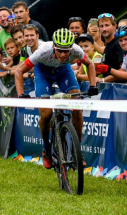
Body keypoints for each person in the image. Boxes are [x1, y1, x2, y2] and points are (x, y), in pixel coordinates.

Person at [13, 29, 99, 169]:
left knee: (77, 106)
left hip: (63, 71)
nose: (64, 54)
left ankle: (77, 150)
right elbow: (19, 70)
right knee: (46, 114)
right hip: (43, 73)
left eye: (66, 51)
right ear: (54, 47)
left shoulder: (76, 50)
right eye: (60, 51)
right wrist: (21, 94)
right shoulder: (43, 51)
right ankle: (46, 149)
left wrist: (93, 84)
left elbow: (90, 64)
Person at [94, 13, 125, 80]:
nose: (104, 29)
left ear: (114, 26)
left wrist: (103, 80)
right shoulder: (108, 44)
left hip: (118, 88)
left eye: (107, 25)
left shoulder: (118, 44)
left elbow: (123, 71)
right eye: (101, 26)